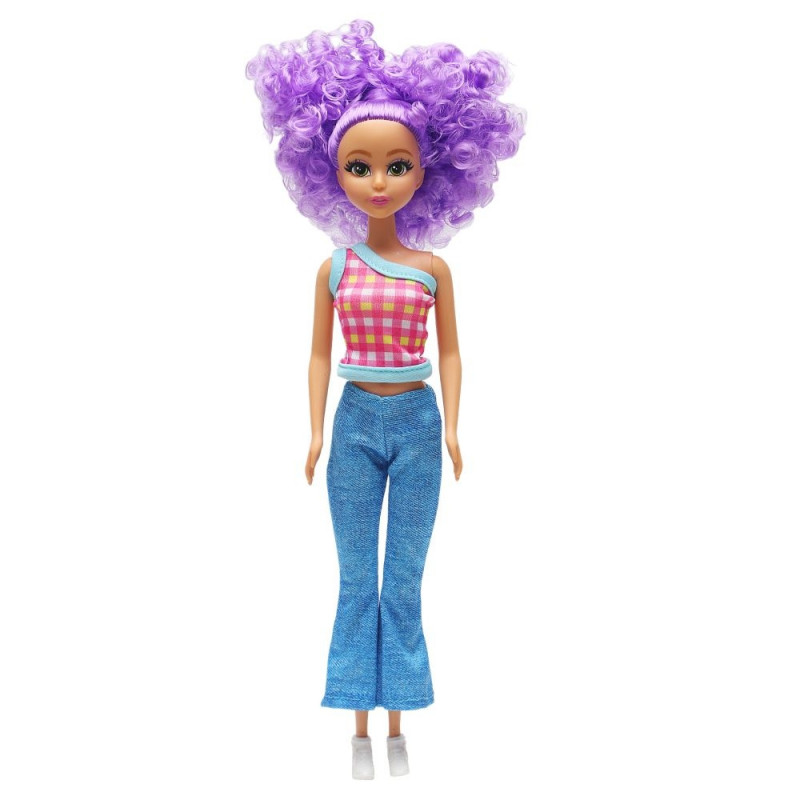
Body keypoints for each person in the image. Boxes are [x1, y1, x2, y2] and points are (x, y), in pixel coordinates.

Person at [246, 20, 524, 779]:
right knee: (354, 580)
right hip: (355, 422)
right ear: (327, 170)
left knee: (402, 578)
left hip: (420, 423)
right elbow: (318, 353)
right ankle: (357, 728)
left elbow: (451, 350)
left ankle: (398, 726)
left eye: (396, 165)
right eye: (358, 166)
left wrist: (455, 427)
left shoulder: (433, 269)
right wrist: (313, 432)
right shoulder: (335, 269)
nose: (378, 182)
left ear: (429, 171)